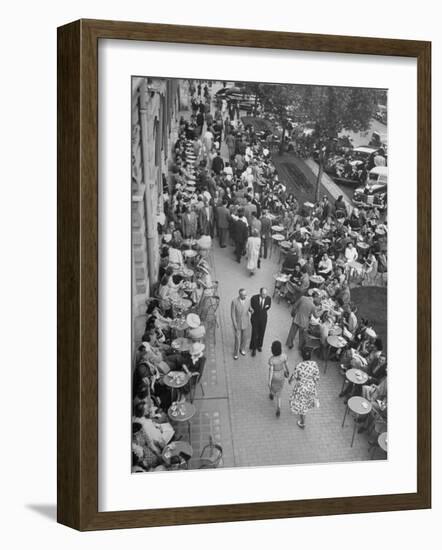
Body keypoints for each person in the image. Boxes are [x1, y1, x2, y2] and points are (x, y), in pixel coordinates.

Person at [288, 348, 320, 429]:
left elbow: (294, 376)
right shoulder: (314, 364)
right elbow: (316, 378)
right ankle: (302, 419)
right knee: (305, 403)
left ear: (302, 356)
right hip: (310, 387)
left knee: (302, 405)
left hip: (301, 388)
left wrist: (290, 381)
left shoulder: (299, 365)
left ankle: (302, 422)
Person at [268, 340, 289, 417]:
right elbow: (286, 364)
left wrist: (269, 382)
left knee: (272, 387)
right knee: (279, 393)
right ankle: (278, 408)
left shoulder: (271, 360)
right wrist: (287, 371)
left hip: (274, 377)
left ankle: (271, 394)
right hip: (281, 376)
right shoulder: (284, 356)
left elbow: (271, 371)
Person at [249, 287, 272, 356]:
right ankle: (253, 348)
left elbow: (268, 307)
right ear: (260, 293)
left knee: (262, 332)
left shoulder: (268, 299)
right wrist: (251, 310)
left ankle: (259, 345)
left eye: (266, 294)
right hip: (255, 318)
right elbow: (251, 306)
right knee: (255, 333)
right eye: (263, 294)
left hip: (263, 319)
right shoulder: (254, 298)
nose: (264, 296)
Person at [230, 288, 250, 360]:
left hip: (245, 322)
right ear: (239, 295)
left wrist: (251, 310)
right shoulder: (234, 301)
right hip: (237, 323)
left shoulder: (248, 299)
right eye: (243, 295)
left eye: (245, 294)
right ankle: (236, 353)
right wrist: (234, 324)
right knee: (237, 339)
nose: (245, 296)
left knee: (245, 337)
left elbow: (249, 308)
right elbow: (232, 314)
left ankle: (242, 349)